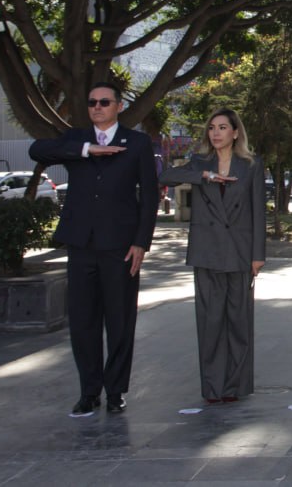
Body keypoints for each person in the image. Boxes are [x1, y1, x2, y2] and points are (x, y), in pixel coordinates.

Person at [29, 82, 159, 416]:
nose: (97, 107)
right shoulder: (76, 140)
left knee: (120, 320)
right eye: (92, 102)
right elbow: (38, 150)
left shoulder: (138, 142)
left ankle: (116, 391)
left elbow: (149, 196)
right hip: (81, 244)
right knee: (83, 322)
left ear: (118, 106)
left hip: (120, 246)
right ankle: (89, 391)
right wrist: (87, 150)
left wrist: (141, 242)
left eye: (104, 102)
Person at [159, 109, 266, 404]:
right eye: (211, 128)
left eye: (222, 128)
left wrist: (258, 256)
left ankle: (234, 386)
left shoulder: (251, 165)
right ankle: (212, 387)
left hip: (240, 253)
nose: (216, 133)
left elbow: (258, 211)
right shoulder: (200, 162)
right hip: (206, 252)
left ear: (235, 132)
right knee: (210, 322)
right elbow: (166, 175)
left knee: (238, 321)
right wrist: (204, 176)